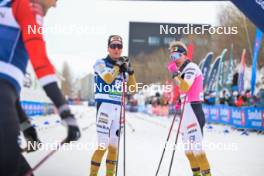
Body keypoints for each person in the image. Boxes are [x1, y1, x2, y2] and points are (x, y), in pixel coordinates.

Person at [0, 0, 81, 175]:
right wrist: (64, 110)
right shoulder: (28, 6)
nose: (55, 5)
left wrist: (25, 125)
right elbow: (40, 61)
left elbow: (6, 91)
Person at [90, 35, 137, 176]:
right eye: (113, 46)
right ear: (108, 48)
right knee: (103, 146)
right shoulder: (100, 63)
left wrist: (130, 71)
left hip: (118, 109)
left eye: (119, 46)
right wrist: (118, 66)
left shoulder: (122, 69)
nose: (116, 49)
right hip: (104, 107)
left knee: (114, 148)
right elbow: (108, 79)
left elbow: (133, 89)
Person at [167, 41, 211, 176]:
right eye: (172, 57)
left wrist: (175, 74)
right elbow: (183, 91)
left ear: (184, 55)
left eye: (177, 56)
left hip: (194, 110)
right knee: (189, 152)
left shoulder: (191, 67)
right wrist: (179, 101)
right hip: (185, 112)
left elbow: (185, 86)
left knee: (198, 152)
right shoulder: (182, 71)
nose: (174, 60)